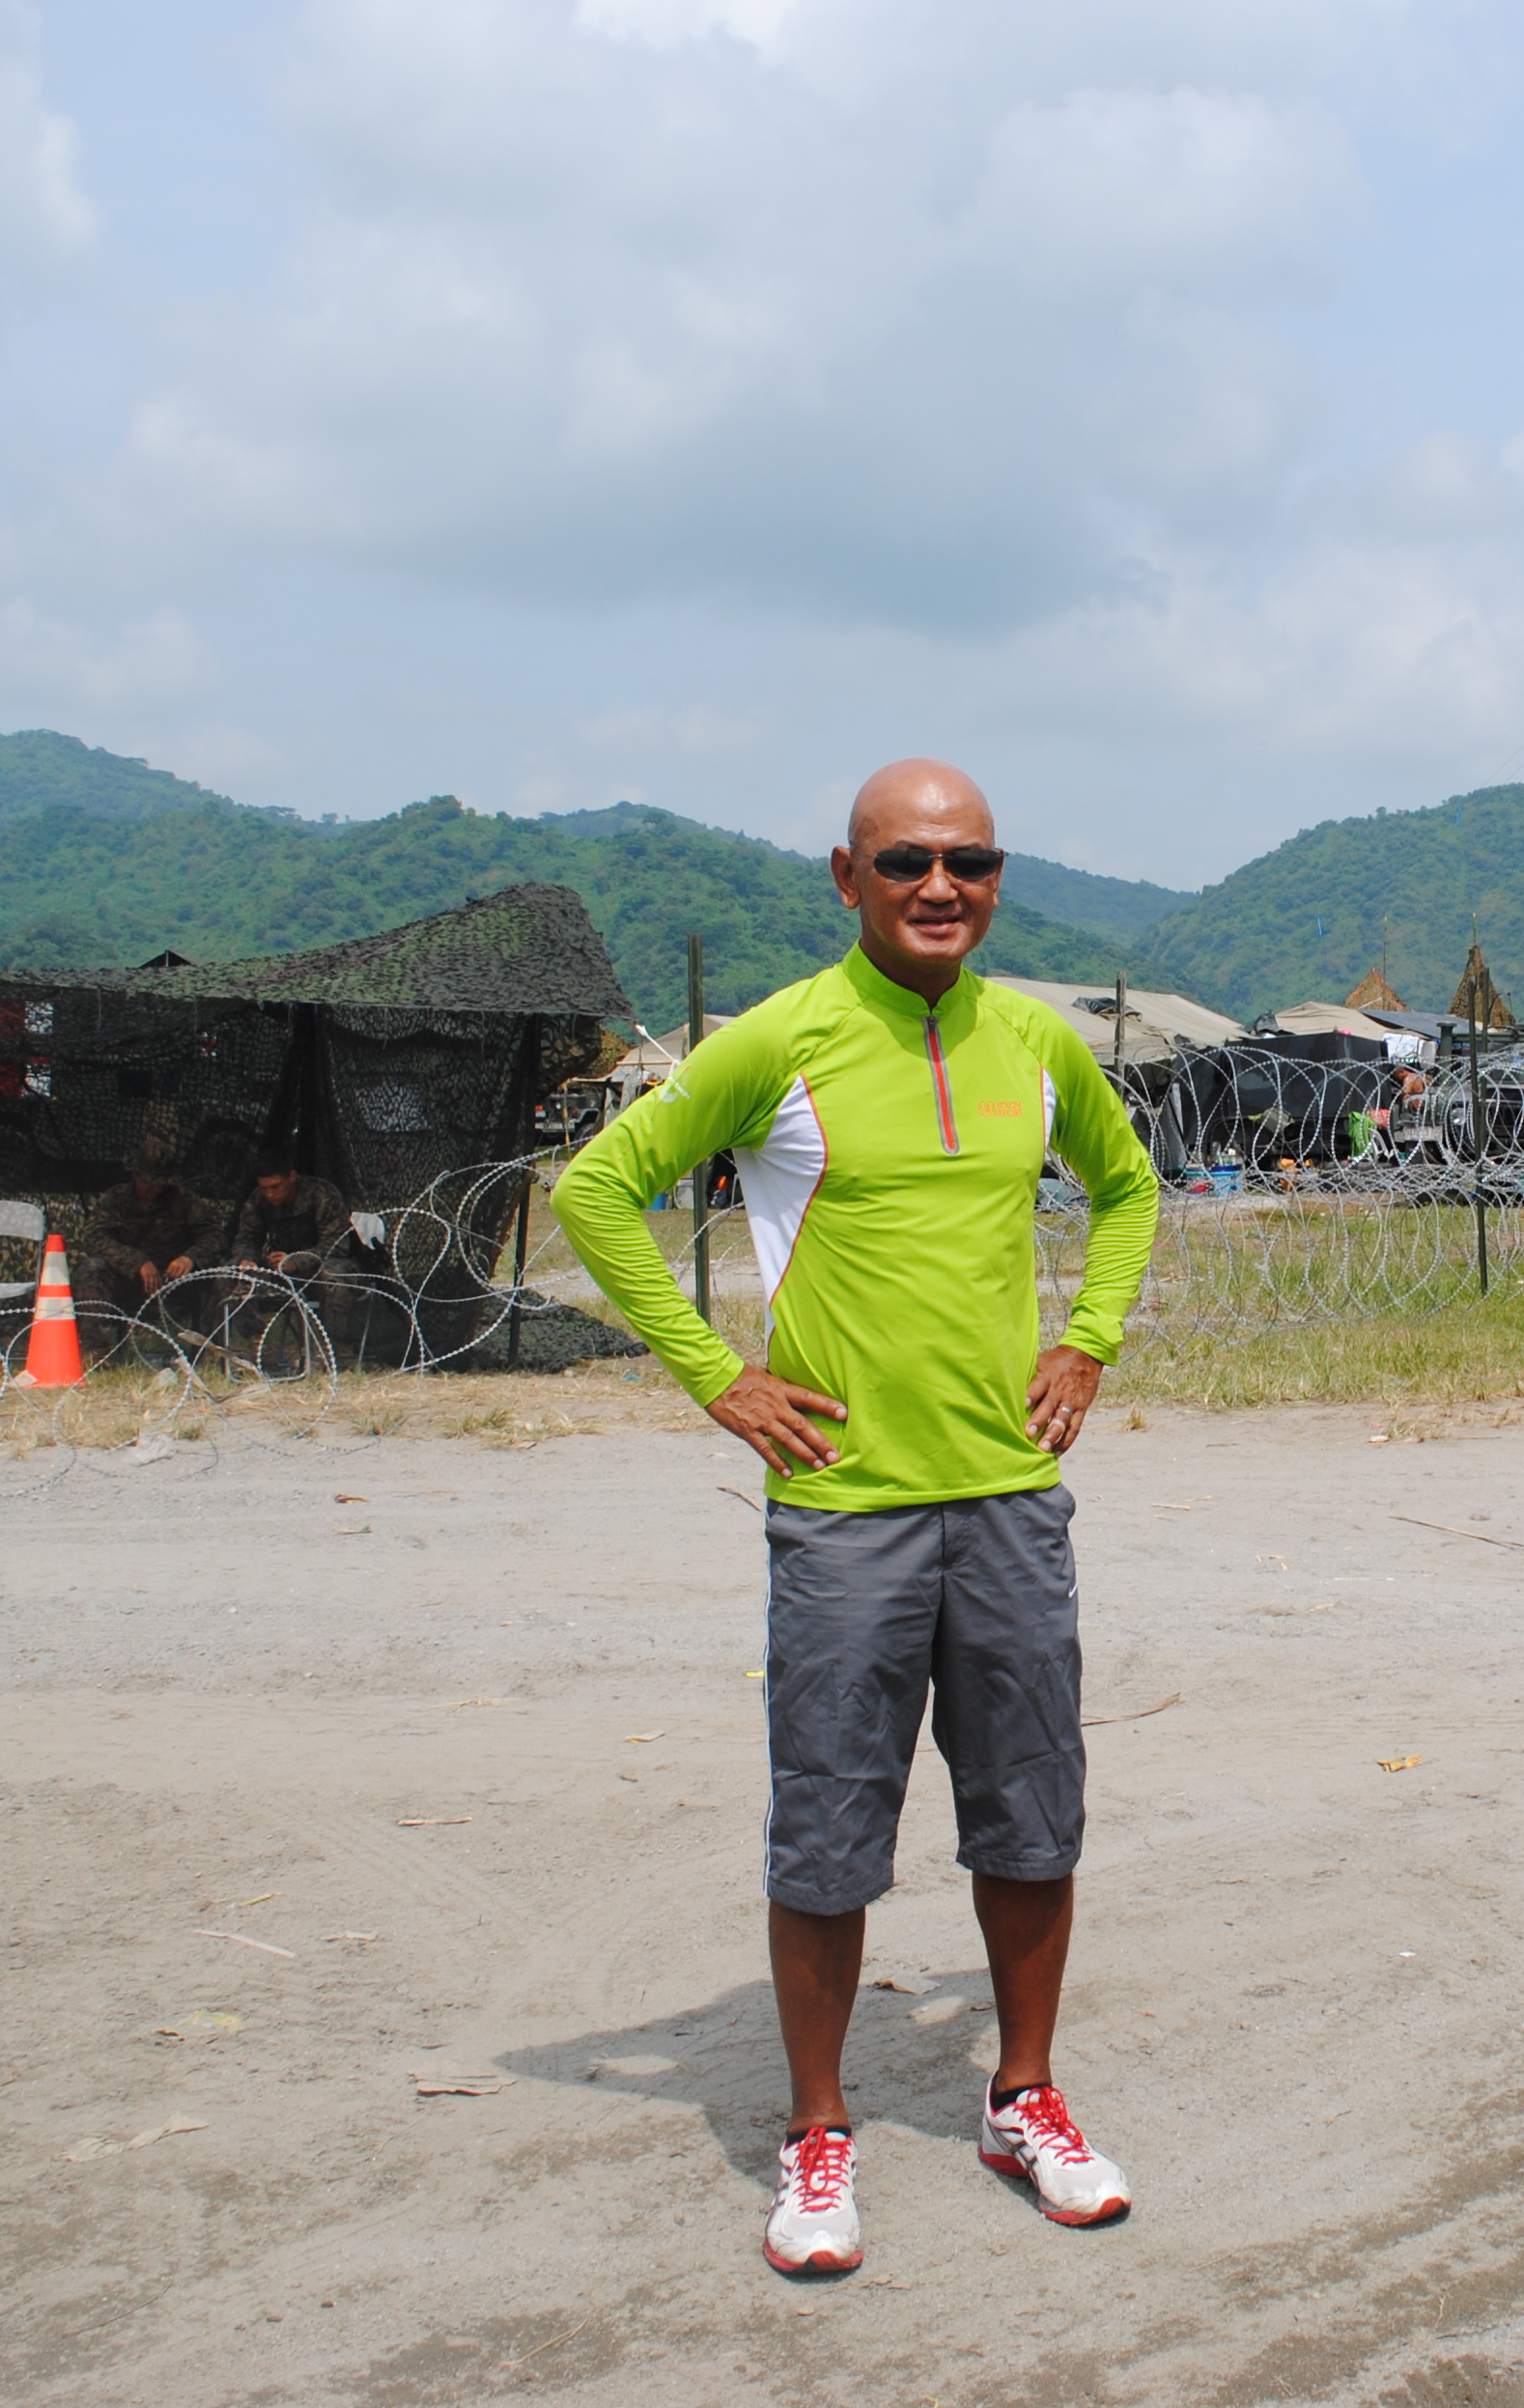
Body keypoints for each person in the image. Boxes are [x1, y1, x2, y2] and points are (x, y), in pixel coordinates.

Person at [550, 758, 1161, 2280]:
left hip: (1008, 1497)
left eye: (970, 862)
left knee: (1032, 1808)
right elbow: (596, 1191)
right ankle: (818, 2132)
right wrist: (717, 1376)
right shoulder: (784, 1038)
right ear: (847, 876)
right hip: (843, 1512)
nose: (940, 887)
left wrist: (1087, 1340)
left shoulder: (1036, 1041)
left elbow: (1131, 1186)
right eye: (906, 862)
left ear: (998, 877)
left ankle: (1023, 2099)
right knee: (830, 1821)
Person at [198, 1148, 367, 1356]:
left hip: (322, 1270)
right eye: (265, 1188)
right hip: (282, 1273)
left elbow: (337, 1245)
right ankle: (259, 1343)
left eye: (276, 1187)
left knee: (334, 1276)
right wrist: (247, 1260)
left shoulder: (322, 1194)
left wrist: (296, 1261)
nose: (270, 1194)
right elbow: (247, 1238)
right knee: (229, 1275)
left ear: (292, 1177)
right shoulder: (258, 1200)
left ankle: (330, 1349)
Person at [72, 1118, 207, 1341]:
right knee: (92, 1269)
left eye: (160, 1182)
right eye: (148, 1181)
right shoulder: (116, 1199)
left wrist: (190, 1258)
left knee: (218, 1270)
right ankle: (98, 1348)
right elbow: (95, 1236)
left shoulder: (183, 1201)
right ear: (135, 1175)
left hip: (172, 1282)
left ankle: (212, 1345)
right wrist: (137, 1262)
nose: (155, 1188)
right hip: (126, 1280)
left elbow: (213, 1236)